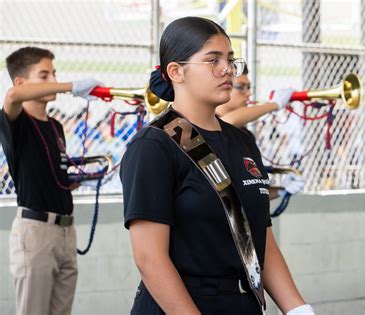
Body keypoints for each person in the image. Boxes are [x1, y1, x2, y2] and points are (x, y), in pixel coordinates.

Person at [120, 16, 314, 315]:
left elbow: (260, 240)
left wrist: (298, 309)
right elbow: (150, 259)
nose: (227, 70)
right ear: (176, 72)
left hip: (243, 302)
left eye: (230, 59)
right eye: (213, 60)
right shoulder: (154, 146)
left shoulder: (242, 142)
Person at [0, 46, 101, 315]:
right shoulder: (16, 120)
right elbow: (12, 96)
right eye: (44, 75)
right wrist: (73, 86)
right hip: (36, 231)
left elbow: (50, 174)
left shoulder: (55, 126)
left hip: (65, 231)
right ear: (21, 81)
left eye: (54, 74)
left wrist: (75, 179)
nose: (54, 81)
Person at [216, 65, 305, 200]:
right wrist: (274, 104)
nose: (248, 93)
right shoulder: (214, 122)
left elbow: (252, 190)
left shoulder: (246, 134)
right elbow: (227, 122)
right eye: (241, 87)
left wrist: (282, 190)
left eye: (249, 87)